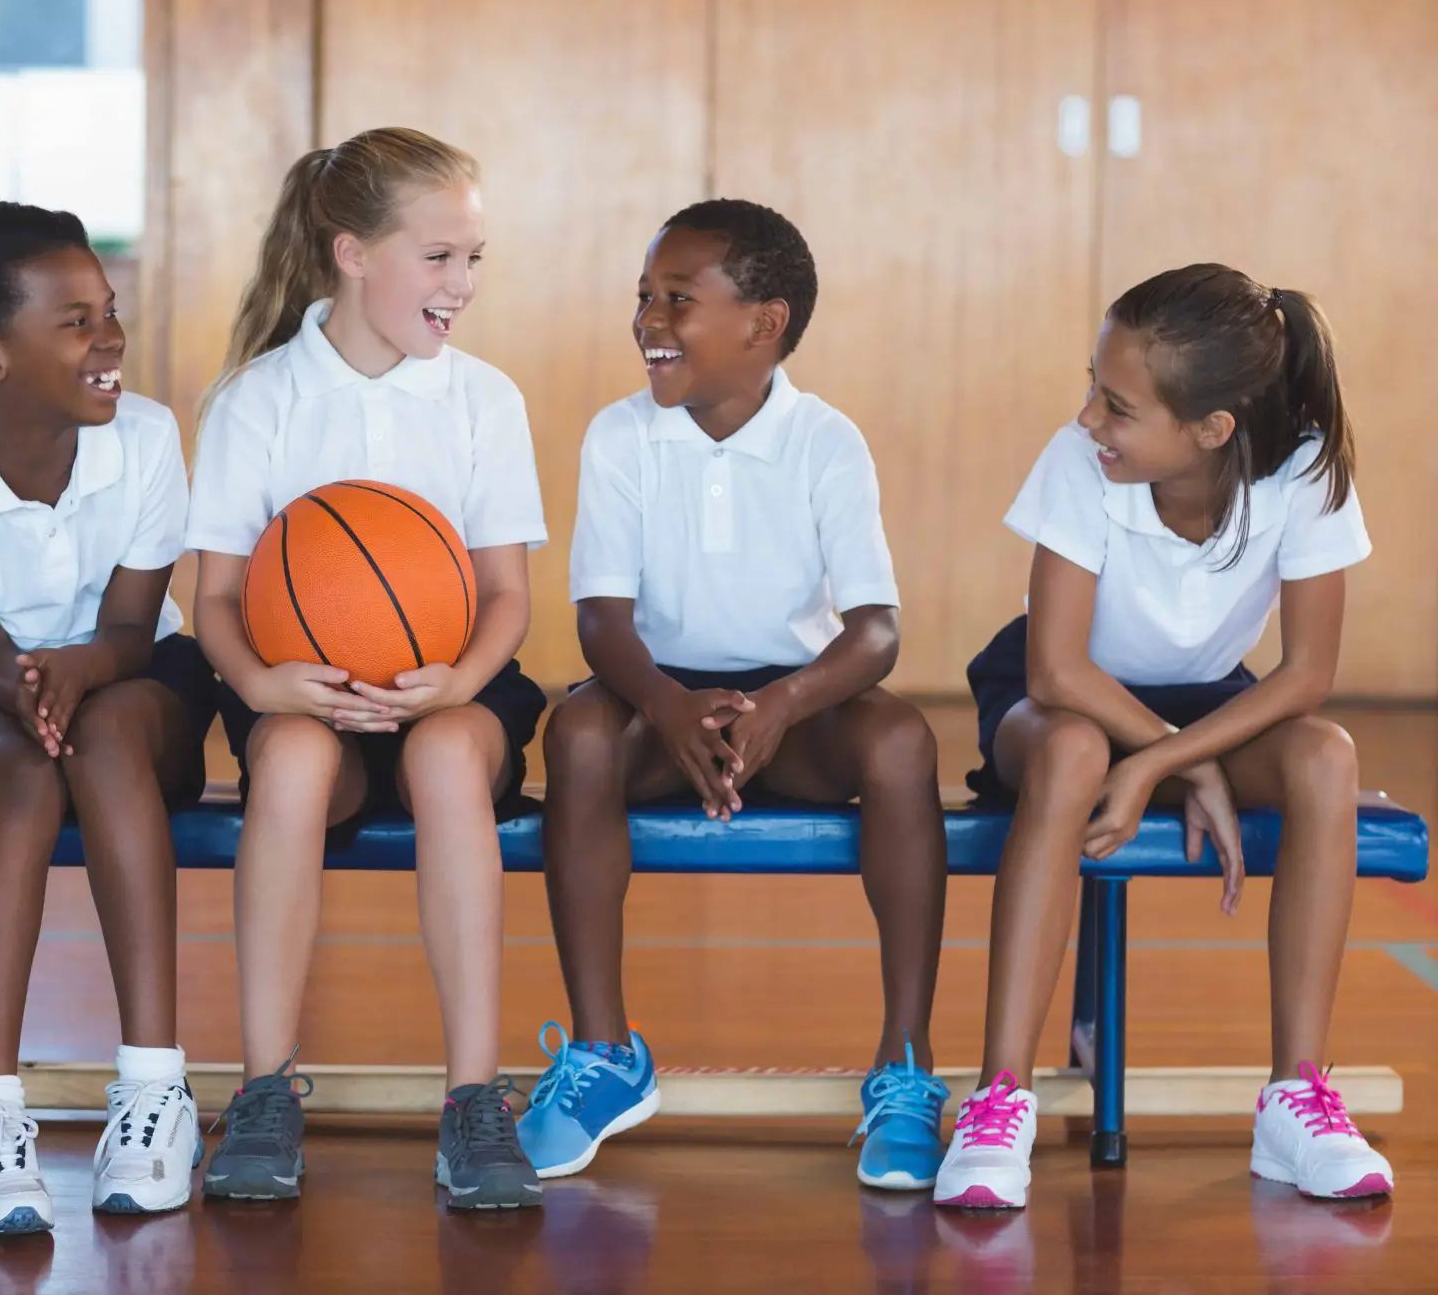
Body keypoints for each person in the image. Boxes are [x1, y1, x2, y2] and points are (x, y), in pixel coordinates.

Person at [935, 264, 1391, 1208]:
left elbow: (1307, 676)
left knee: (1325, 755)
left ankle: (1294, 1094)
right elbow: (1058, 671)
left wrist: (1171, 761)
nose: (1089, 418)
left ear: (1212, 430)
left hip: (1201, 705)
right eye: (1094, 389)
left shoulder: (1302, 472)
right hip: (1059, 700)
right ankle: (1000, 1096)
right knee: (1072, 752)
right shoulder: (1079, 460)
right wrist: (1186, 768)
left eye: (1116, 404)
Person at [521, 200, 950, 1191]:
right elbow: (600, 624)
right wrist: (670, 708)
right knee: (576, 734)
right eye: (642, 298)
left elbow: (874, 631)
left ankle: (904, 1064)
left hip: (790, 717)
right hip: (647, 702)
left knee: (898, 745)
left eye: (677, 300)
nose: (647, 322)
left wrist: (782, 706)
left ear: (764, 323)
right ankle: (600, 1055)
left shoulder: (824, 441)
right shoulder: (619, 435)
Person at [188, 128, 548, 1210]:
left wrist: (457, 680)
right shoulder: (258, 399)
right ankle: (261, 1087)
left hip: (455, 686)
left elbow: (506, 596)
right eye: (438, 258)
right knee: (291, 767)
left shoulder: (483, 399)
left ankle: (472, 1101)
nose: (462, 285)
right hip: (302, 691)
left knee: (445, 766)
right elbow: (210, 598)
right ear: (351, 253)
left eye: (474, 258)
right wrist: (260, 687)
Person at [0, 202, 218, 1230]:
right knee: (21, 776)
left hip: (133, 680)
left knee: (104, 737)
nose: (108, 337)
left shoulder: (146, 439)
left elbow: (135, 626)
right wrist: (29, 687)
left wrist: (76, 671)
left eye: (107, 312)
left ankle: (156, 1088)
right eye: (73, 321)